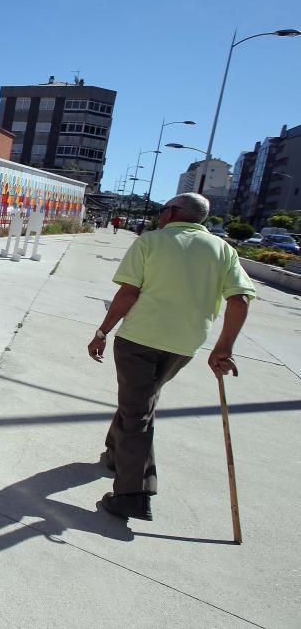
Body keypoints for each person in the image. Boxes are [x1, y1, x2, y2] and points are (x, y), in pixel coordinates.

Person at [86, 193, 255, 522]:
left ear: (174, 212)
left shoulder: (152, 241)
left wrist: (103, 331)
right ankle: (116, 453)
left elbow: (129, 292)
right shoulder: (224, 250)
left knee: (138, 412)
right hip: (183, 346)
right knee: (141, 400)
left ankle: (133, 494)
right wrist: (224, 348)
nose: (160, 215)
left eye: (163, 209)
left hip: (139, 339)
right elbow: (240, 300)